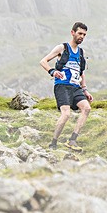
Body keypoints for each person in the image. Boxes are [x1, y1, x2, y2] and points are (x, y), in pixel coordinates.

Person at [39, 22, 93, 151]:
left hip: (76, 87)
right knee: (66, 114)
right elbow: (43, 61)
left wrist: (85, 89)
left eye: (84, 35)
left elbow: (81, 73)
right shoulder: (62, 48)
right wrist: (52, 71)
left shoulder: (80, 52)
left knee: (86, 108)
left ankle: (72, 140)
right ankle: (53, 143)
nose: (82, 37)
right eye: (80, 33)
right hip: (62, 86)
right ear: (72, 32)